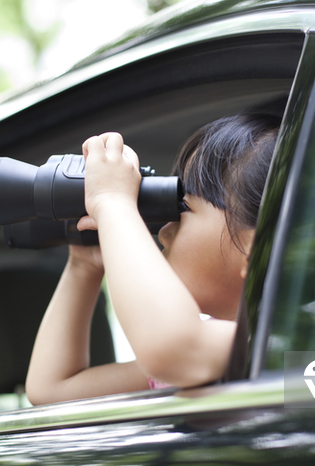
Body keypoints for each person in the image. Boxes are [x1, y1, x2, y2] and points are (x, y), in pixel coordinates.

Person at [25, 114, 280, 405]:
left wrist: (113, 203)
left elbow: (174, 347)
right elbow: (53, 390)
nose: (164, 232)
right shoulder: (201, 352)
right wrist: (84, 265)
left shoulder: (289, 346)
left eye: (182, 208)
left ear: (255, 249)